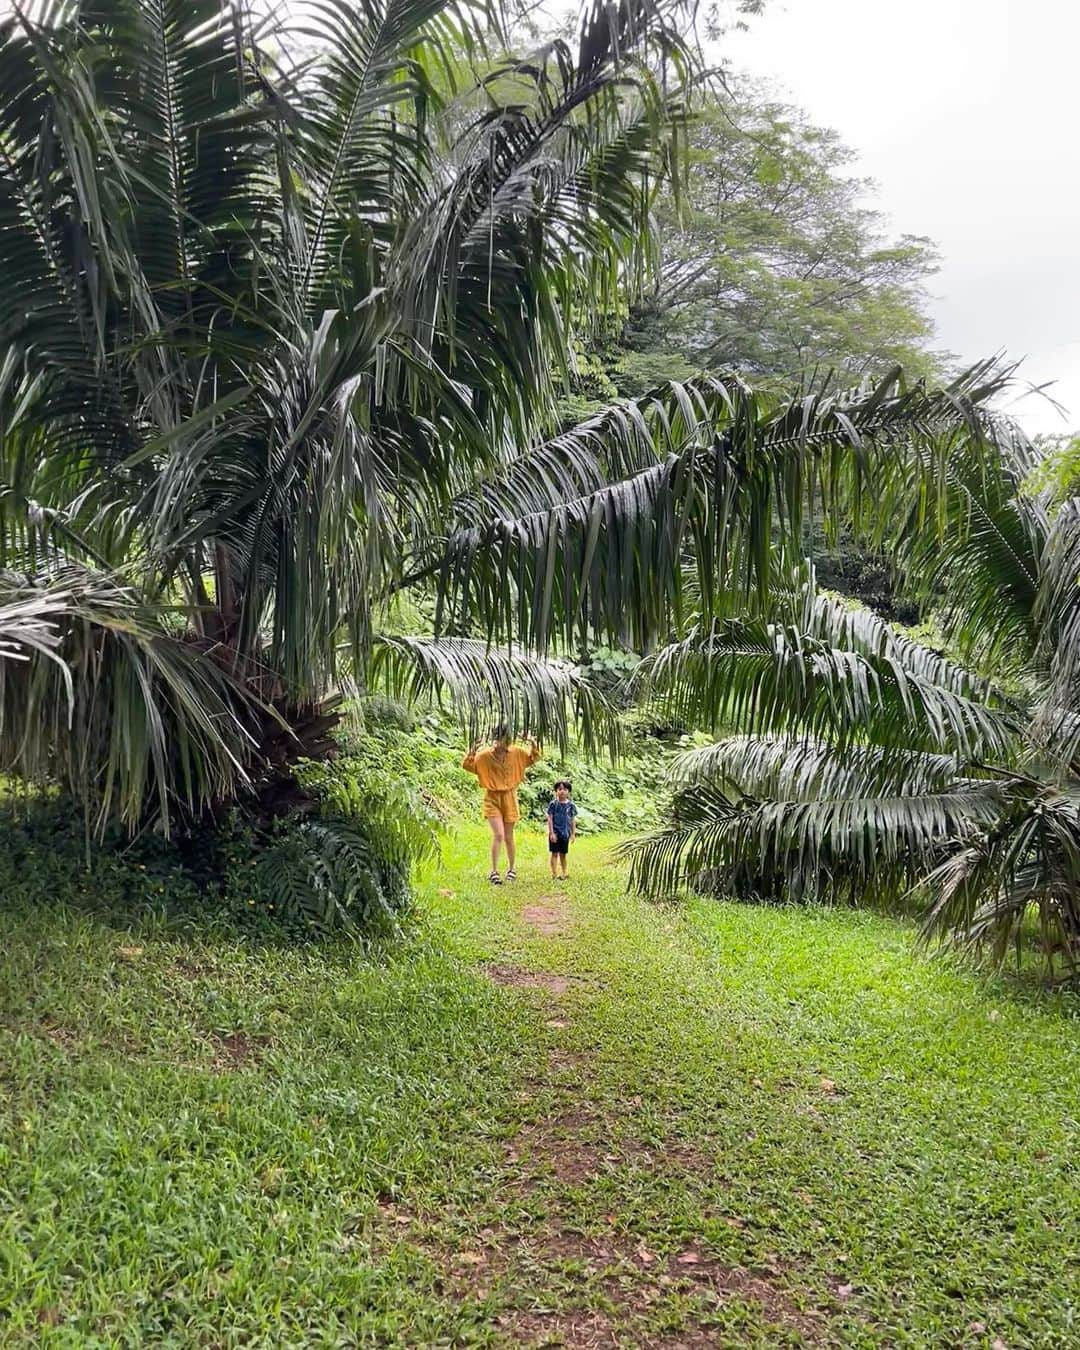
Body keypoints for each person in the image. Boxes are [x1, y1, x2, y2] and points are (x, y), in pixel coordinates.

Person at [462, 726, 541, 883]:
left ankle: (512, 869)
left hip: (510, 797)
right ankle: (494, 871)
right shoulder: (485, 756)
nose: (506, 744)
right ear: (496, 739)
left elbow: (534, 758)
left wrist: (532, 742)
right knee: (499, 834)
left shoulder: (516, 752)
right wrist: (472, 750)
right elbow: (467, 765)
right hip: (492, 798)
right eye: (503, 740)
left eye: (508, 740)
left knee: (509, 837)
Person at [546, 779, 578, 881]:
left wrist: (573, 833)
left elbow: (573, 820)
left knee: (563, 854)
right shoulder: (553, 804)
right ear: (556, 791)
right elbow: (550, 818)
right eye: (559, 789)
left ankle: (564, 873)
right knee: (554, 853)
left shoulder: (571, 806)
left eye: (565, 789)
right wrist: (551, 833)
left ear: (568, 791)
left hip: (565, 833)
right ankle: (554, 874)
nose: (562, 791)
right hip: (555, 833)